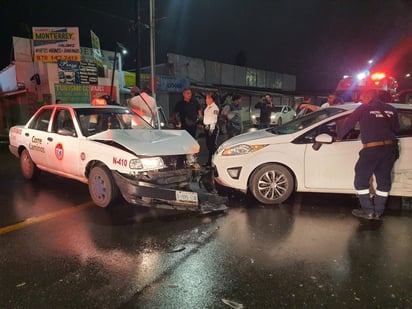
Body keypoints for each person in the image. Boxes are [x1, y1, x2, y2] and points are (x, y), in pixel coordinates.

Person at [338, 89, 400, 220]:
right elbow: (396, 129)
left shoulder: (363, 108)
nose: (361, 100)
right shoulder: (392, 109)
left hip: (372, 150)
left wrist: (339, 137)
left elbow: (348, 124)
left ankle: (368, 211)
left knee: (361, 179)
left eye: (362, 98)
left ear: (367, 96)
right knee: (384, 180)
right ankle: (378, 211)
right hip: (390, 149)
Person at [203, 92, 220, 167]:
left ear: (211, 99)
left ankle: (212, 163)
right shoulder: (208, 107)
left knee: (212, 146)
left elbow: (214, 119)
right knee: (209, 146)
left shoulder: (214, 108)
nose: (206, 100)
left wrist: (211, 129)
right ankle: (209, 162)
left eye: (207, 98)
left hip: (211, 128)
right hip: (207, 127)